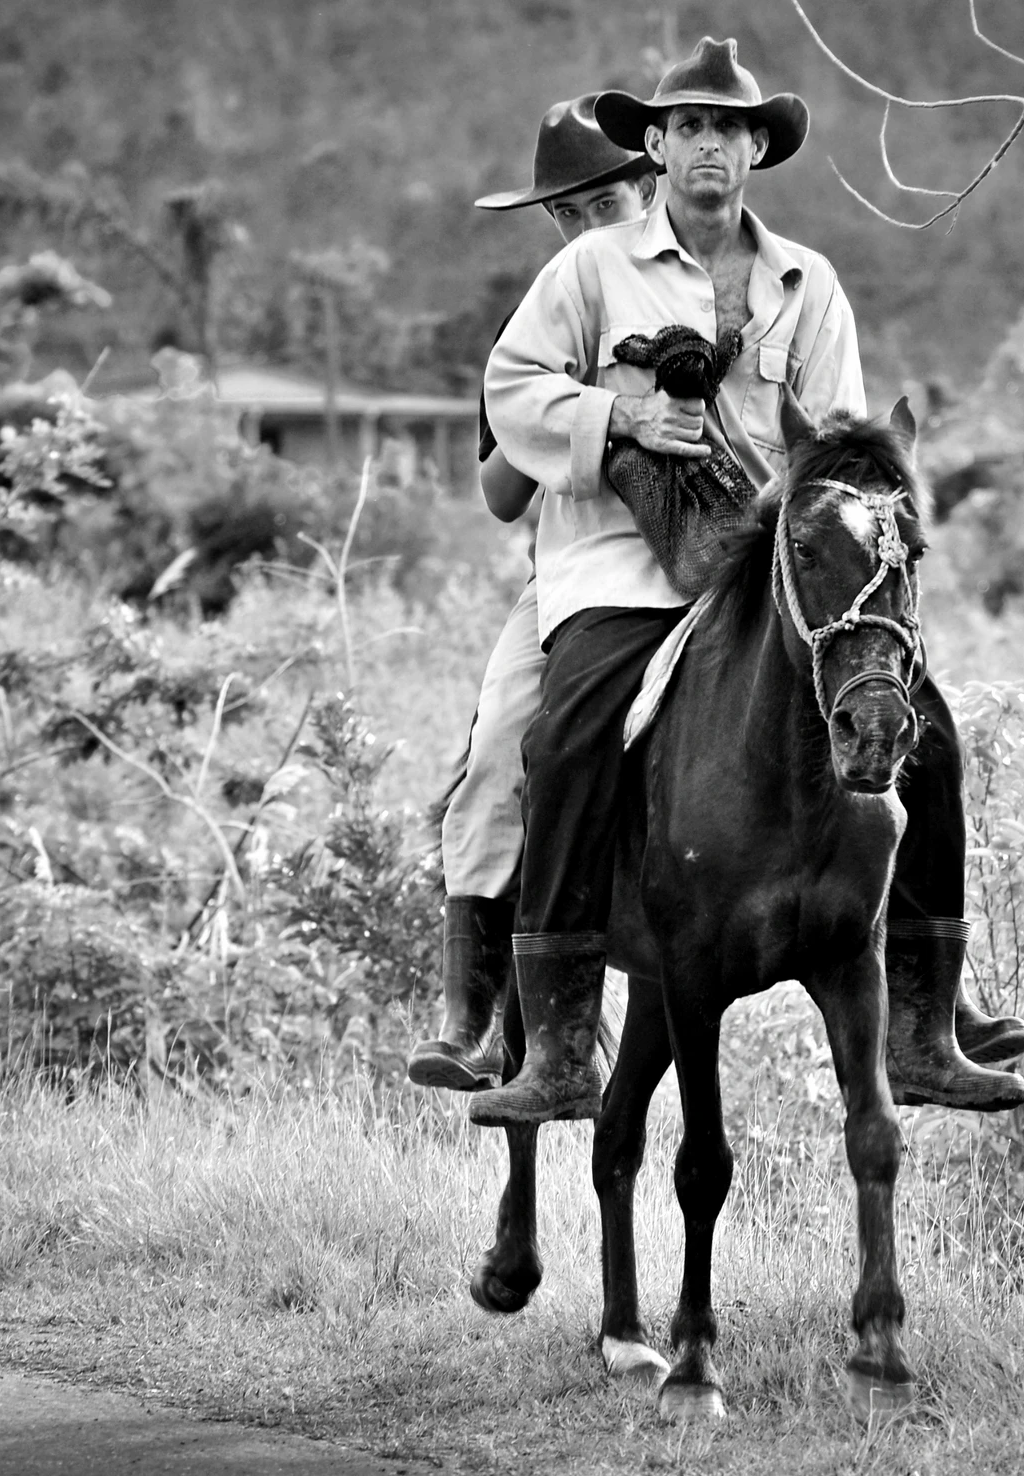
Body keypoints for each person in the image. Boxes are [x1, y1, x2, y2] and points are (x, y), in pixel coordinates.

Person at [468, 36, 1024, 1127]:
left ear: (756, 147)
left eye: (728, 128)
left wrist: (819, 523)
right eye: (686, 128)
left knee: (931, 731)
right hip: (620, 569)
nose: (708, 146)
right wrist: (622, 415)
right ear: (657, 147)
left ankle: (923, 1025)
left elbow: (839, 449)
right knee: (568, 734)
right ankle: (564, 1040)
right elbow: (510, 389)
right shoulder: (587, 271)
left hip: (772, 568)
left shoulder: (806, 284)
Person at [406, 95, 658, 1093]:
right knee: (490, 764)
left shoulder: (725, 291)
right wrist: (564, 406)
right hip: (577, 573)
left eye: (599, 204)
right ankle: (474, 1021)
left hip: (710, 560)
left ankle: (924, 993)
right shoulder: (537, 322)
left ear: (650, 190)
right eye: (563, 214)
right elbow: (500, 494)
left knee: (878, 703)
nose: (581, 229)